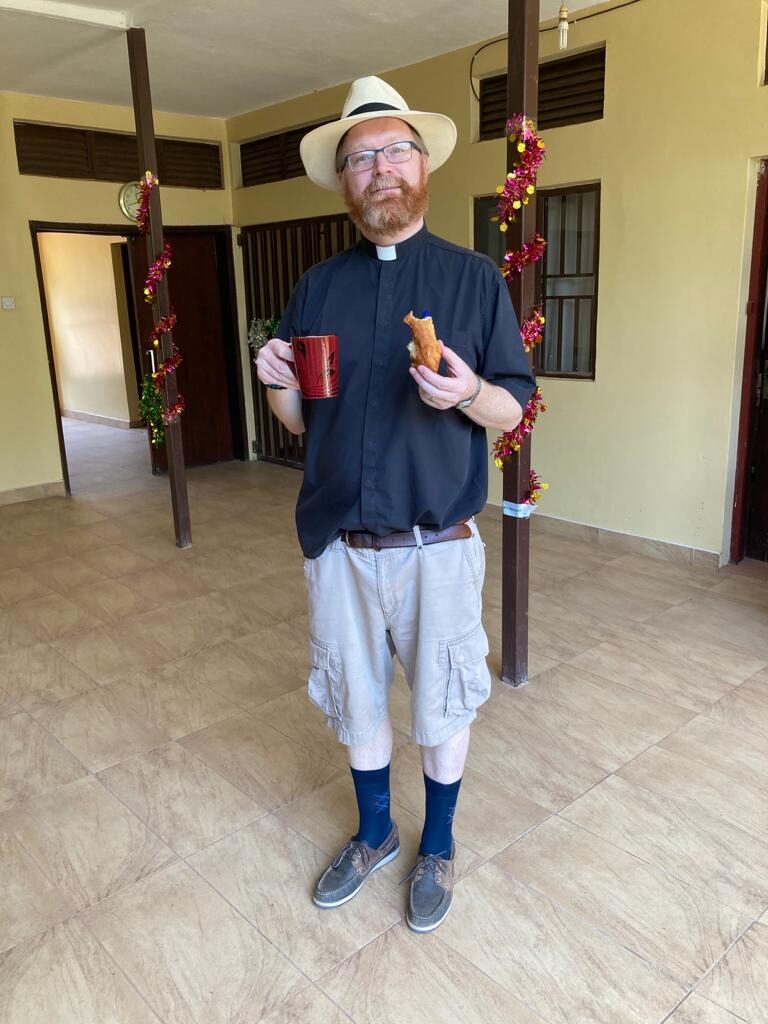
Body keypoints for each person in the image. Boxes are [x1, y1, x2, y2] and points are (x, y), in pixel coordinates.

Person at [255, 75, 535, 933]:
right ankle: (375, 832)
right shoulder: (317, 286)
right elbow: (303, 419)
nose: (380, 168)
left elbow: (513, 407)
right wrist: (275, 387)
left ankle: (438, 844)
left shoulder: (473, 277)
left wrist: (466, 394)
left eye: (394, 150)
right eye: (361, 157)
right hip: (340, 542)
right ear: (345, 181)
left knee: (443, 701)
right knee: (357, 701)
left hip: (436, 543)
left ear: (422, 168)